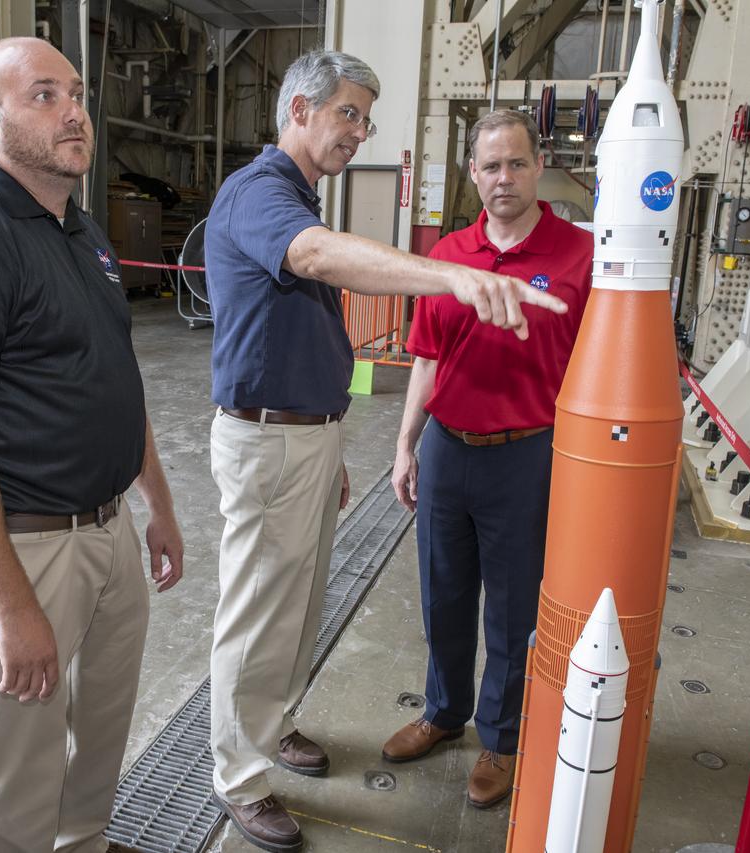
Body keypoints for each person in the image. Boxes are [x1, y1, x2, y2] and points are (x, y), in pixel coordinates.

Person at [203, 50, 567, 852]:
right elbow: (313, 256)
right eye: (348, 113)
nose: (360, 131)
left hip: (303, 434)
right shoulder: (264, 193)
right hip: (267, 439)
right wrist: (448, 277)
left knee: (295, 611)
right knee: (257, 614)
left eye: (366, 117)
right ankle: (239, 772)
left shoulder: (297, 194)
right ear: (299, 109)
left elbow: (296, 333)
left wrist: (329, 439)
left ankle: (274, 724)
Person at [0, 36, 182, 853]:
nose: (75, 111)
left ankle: (82, 839)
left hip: (107, 530)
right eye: (44, 95)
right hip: (22, 544)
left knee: (101, 726)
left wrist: (155, 502)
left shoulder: (79, 229)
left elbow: (114, 377)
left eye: (77, 94)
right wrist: (13, 607)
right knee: (13, 762)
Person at [380, 109, 593, 809]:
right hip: (448, 447)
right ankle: (443, 712)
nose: (504, 178)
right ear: (473, 173)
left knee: (510, 608)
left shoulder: (577, 256)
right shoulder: (447, 254)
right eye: (491, 166)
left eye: (517, 164)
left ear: (540, 168)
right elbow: (427, 357)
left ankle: (500, 739)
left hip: (526, 455)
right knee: (443, 591)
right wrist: (406, 443)